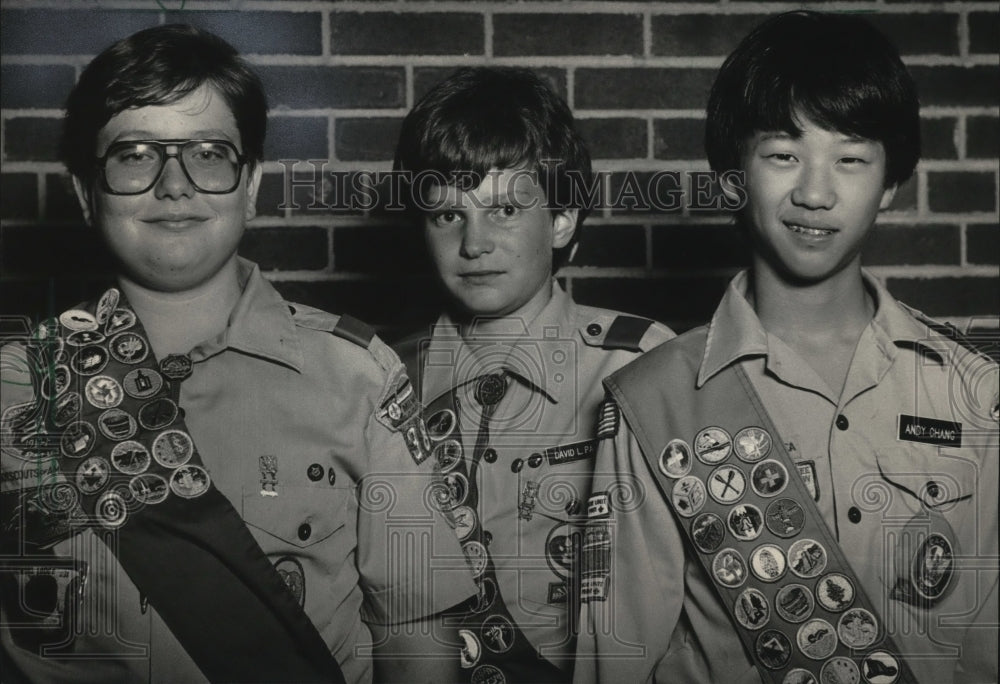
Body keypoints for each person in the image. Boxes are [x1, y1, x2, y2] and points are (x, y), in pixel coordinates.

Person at [0, 24, 474, 684]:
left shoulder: (355, 375)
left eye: (209, 154)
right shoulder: (18, 387)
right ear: (86, 192)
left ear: (251, 185)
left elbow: (417, 636)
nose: (174, 185)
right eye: (135, 155)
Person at [575, 11, 998, 684]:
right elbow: (615, 664)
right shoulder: (653, 401)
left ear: (890, 183)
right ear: (734, 174)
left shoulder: (973, 392)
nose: (814, 191)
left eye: (851, 159)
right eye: (782, 155)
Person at [391, 67, 674, 683]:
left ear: (563, 220)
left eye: (504, 210)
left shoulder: (640, 364)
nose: (474, 244)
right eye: (446, 216)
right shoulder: (384, 380)